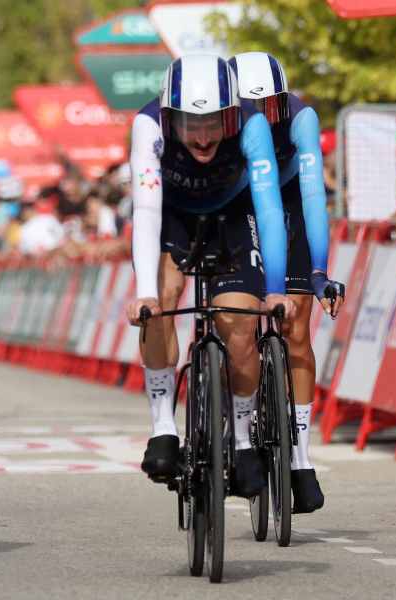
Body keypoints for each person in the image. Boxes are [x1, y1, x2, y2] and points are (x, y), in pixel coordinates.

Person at [125, 54, 294, 499]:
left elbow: (269, 205)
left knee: (239, 323)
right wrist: (145, 295)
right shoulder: (147, 127)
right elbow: (145, 209)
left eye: (214, 123)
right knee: (160, 300)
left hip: (234, 217)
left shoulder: (254, 126)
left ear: (231, 116)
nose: (202, 137)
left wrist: (275, 288)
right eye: (190, 124)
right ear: (169, 117)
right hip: (173, 218)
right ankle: (163, 427)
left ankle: (241, 442)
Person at [231, 51, 347, 513]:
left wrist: (318, 271)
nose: (261, 118)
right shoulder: (216, 124)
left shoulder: (301, 119)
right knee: (233, 320)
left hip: (291, 203)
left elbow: (315, 195)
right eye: (250, 109)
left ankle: (299, 456)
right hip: (238, 205)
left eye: (270, 108)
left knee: (296, 330)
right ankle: (231, 413)